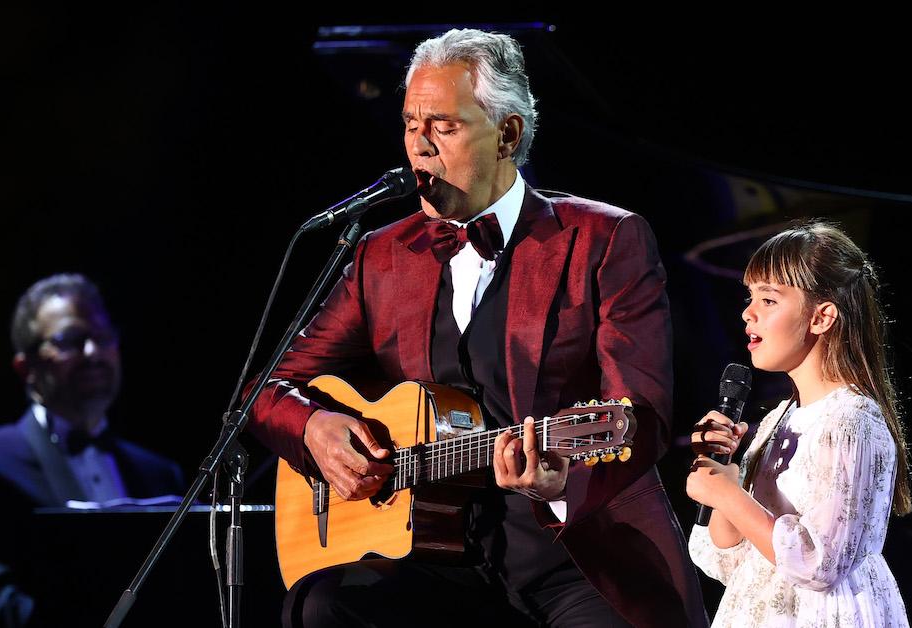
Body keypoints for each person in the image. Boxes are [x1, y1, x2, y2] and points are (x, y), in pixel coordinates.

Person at [248, 28, 708, 628]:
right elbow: (267, 390)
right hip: (433, 557)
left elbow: (639, 416)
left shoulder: (603, 241)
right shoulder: (381, 256)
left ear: (508, 135)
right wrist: (315, 428)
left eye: (443, 125)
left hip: (575, 558)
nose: (420, 146)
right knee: (320, 605)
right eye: (411, 125)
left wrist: (558, 481)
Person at [0, 273, 184, 627]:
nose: (93, 353)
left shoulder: (159, 474)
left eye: (102, 337)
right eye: (70, 341)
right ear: (26, 367)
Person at [686, 222, 912, 627]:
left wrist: (732, 496)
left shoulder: (851, 421)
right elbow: (730, 557)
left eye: (768, 300)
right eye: (750, 296)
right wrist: (724, 481)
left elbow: (819, 564)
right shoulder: (778, 420)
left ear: (822, 317)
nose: (747, 312)